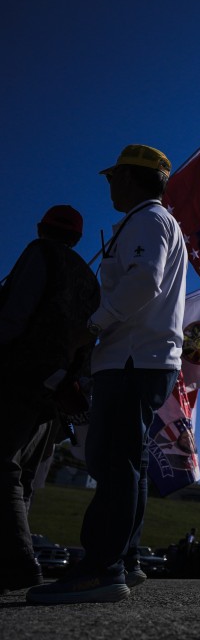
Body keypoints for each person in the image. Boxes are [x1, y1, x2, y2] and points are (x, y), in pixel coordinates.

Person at [28, 144, 187, 604]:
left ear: (130, 177)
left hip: (132, 358)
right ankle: (126, 560)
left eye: (113, 176)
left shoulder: (148, 220)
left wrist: (92, 327)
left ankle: (101, 569)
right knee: (127, 464)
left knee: (112, 462)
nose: (109, 184)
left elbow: (143, 280)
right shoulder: (154, 221)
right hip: (145, 359)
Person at [0, 205, 99, 595]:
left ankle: (22, 565)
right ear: (76, 238)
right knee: (23, 479)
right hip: (60, 393)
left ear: (41, 228)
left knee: (3, 467)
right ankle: (9, 566)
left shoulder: (38, 253)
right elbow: (90, 339)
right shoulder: (91, 281)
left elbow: (13, 317)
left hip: (19, 378)